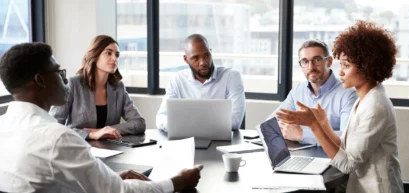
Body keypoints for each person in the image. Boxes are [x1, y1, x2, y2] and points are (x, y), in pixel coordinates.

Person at [0, 42, 201, 193]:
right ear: (40, 80)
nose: (63, 79)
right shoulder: (58, 138)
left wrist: (109, 178)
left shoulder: (3, 127)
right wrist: (179, 181)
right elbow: (119, 192)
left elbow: (50, 181)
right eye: (58, 72)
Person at [276, 21, 404, 193]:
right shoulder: (365, 98)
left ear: (367, 67)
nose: (341, 72)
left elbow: (347, 164)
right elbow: (345, 146)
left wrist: (315, 126)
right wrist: (323, 123)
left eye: (347, 65)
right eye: (341, 65)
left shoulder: (375, 106)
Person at [50, 35, 145, 140]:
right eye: (108, 53)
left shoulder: (118, 87)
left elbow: (139, 123)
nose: (114, 58)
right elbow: (54, 127)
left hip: (111, 150)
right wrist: (89, 134)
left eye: (117, 55)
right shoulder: (73, 84)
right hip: (79, 149)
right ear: (95, 55)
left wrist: (106, 130)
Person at [268, 40, 357, 145]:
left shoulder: (348, 94)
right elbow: (270, 124)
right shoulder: (298, 90)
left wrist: (301, 134)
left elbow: (346, 139)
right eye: (305, 61)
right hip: (299, 154)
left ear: (329, 62)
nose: (311, 67)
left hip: (331, 159)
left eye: (317, 60)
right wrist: (285, 129)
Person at [156, 34, 246, 131]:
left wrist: (185, 125)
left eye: (206, 55)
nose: (203, 62)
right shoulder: (177, 80)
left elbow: (235, 121)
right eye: (195, 58)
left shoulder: (231, 77)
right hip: (186, 140)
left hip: (222, 142)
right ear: (186, 59)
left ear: (211, 53)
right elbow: (161, 117)